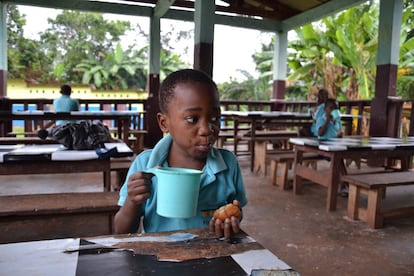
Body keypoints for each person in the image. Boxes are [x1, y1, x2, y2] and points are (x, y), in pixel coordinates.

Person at [114, 69, 248, 238]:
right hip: (159, 258)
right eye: (192, 119)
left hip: (211, 255)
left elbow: (236, 209)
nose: (207, 130)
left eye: (214, 118)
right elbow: (121, 231)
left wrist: (231, 220)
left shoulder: (228, 164)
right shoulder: (145, 166)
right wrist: (132, 202)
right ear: (164, 123)